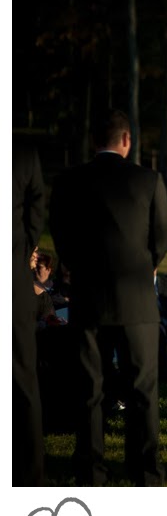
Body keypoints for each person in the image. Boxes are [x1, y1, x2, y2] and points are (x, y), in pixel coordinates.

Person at [50, 109, 167, 486]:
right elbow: (161, 239)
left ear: (93, 142)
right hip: (137, 299)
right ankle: (145, 472)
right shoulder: (148, 180)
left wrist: (78, 268)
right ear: (127, 140)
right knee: (143, 392)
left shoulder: (69, 180)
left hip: (87, 299)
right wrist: (142, 268)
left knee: (89, 389)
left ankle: (90, 470)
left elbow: (60, 234)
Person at [13, 147, 46, 486]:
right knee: (22, 379)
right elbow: (36, 211)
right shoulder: (22, 157)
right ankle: (30, 473)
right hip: (13, 277)